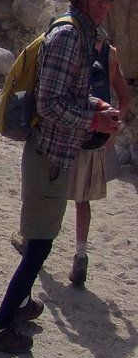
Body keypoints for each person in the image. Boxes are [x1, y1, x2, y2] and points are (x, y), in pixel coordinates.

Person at [0, 0, 124, 354]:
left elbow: (71, 96)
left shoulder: (82, 34)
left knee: (39, 236)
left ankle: (22, 304)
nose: (105, 1)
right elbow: (52, 104)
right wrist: (94, 120)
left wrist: (97, 107)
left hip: (56, 154)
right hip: (49, 155)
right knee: (39, 245)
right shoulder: (69, 37)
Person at [66, 28, 129, 287]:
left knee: (51, 192)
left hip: (67, 131)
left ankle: (32, 241)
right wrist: (111, 130)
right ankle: (80, 255)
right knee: (83, 199)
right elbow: (124, 97)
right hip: (94, 137)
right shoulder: (109, 54)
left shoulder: (72, 45)